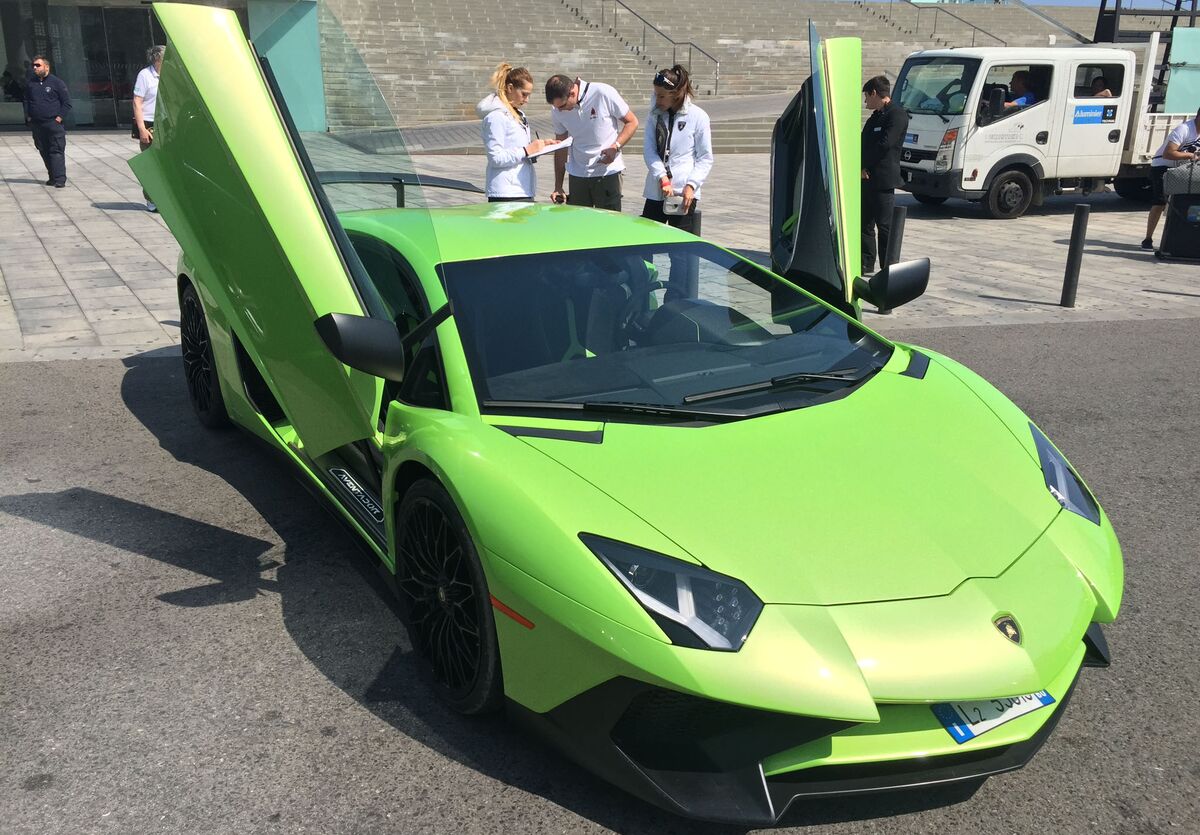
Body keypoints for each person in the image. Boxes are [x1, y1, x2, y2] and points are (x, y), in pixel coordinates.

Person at [545, 73, 638, 210]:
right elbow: (561, 147)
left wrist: (615, 147)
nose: (560, 110)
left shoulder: (602, 92)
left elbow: (632, 122)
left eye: (563, 106)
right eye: (556, 107)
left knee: (608, 225)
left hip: (607, 172)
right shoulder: (557, 110)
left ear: (572, 93)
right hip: (578, 175)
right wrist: (558, 186)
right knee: (579, 226)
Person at [641, 65, 712, 234]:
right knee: (645, 241)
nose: (657, 100)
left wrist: (691, 185)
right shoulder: (654, 115)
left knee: (680, 252)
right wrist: (662, 177)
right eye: (656, 94)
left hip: (684, 192)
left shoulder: (698, 116)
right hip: (657, 189)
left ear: (676, 94)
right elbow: (649, 150)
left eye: (662, 96)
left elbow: (705, 157)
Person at [476, 63, 555, 202]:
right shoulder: (496, 117)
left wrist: (541, 146)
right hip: (506, 192)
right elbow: (495, 158)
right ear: (510, 88)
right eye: (524, 94)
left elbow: (515, 147)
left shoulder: (518, 114)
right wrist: (526, 150)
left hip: (522, 188)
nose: (527, 100)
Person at [861, 75, 908, 277]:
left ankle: (888, 266)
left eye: (866, 96)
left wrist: (864, 165)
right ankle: (866, 263)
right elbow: (864, 143)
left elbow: (885, 145)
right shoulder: (875, 117)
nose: (865, 102)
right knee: (864, 224)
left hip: (883, 179)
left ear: (874, 93)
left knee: (885, 225)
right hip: (866, 177)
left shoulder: (896, 115)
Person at [1143, 105, 1200, 249]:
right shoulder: (1184, 129)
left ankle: (1180, 237)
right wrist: (1190, 155)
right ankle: (1148, 239)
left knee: (1185, 201)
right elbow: (1168, 153)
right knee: (1160, 202)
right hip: (1162, 166)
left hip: (1182, 167)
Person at [23, 55, 71, 188]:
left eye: (38, 65)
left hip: (53, 123)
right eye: (34, 65)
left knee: (56, 150)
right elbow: (26, 100)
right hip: (37, 124)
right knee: (43, 150)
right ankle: (52, 177)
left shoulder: (57, 83)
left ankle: (60, 179)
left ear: (46, 67)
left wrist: (59, 118)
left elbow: (66, 103)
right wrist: (28, 117)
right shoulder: (30, 83)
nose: (35, 67)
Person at [133, 45, 164, 211]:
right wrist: (141, 129)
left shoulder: (169, 75)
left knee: (166, 165)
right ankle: (151, 199)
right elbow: (137, 102)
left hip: (166, 123)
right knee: (152, 164)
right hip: (149, 124)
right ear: (157, 59)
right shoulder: (145, 75)